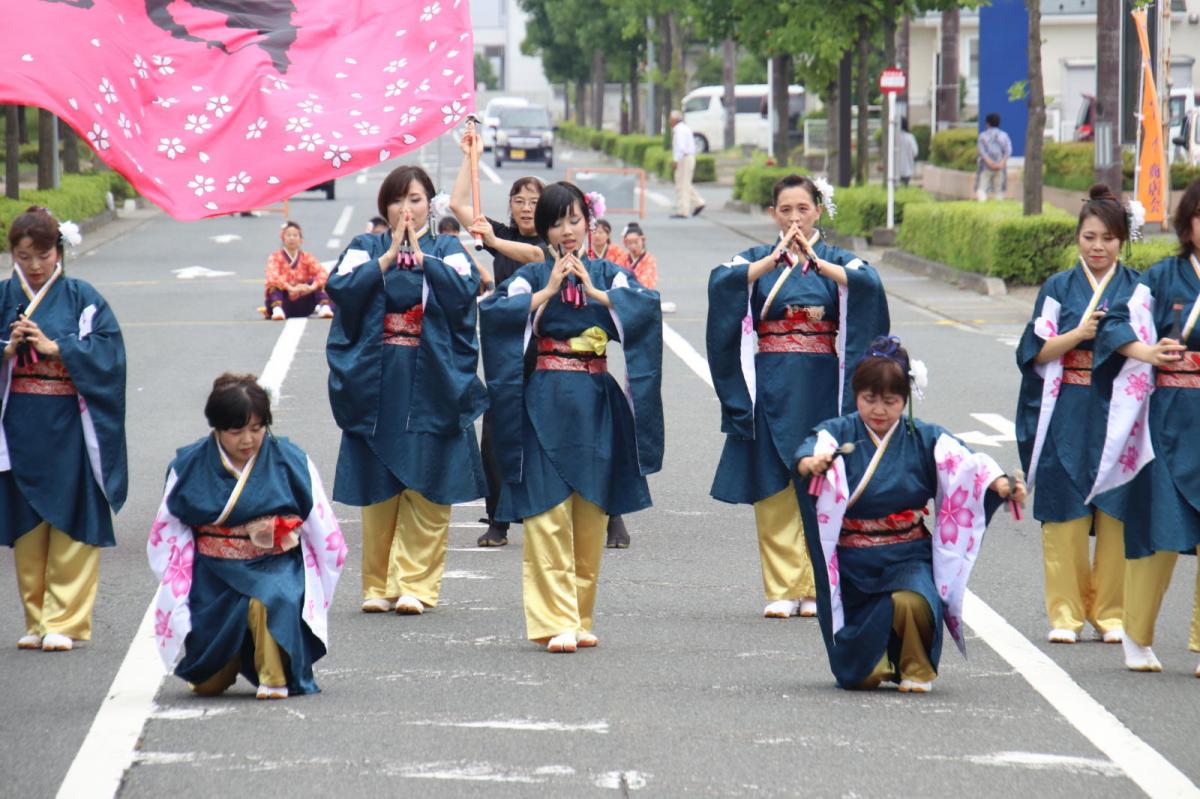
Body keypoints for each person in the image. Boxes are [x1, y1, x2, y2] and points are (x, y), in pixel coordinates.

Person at [479, 181, 663, 652]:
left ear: (588, 221)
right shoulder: (533, 272)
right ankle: (553, 619)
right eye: (556, 222)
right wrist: (549, 291)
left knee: (589, 513)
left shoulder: (608, 271)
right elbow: (496, 311)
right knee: (546, 512)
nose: (566, 230)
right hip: (544, 396)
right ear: (544, 228)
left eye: (574, 220)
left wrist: (599, 294)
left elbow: (644, 308)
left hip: (596, 399)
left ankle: (579, 616)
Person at [796, 337, 1026, 693]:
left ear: (905, 400)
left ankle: (916, 668)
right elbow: (811, 449)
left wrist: (1001, 485)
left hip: (907, 553)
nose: (879, 410)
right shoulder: (838, 433)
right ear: (856, 395)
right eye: (869, 399)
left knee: (914, 597)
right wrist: (812, 464)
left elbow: (969, 466)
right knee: (861, 678)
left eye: (890, 401)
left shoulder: (925, 438)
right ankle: (874, 662)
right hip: (855, 560)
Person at [707, 174, 890, 621]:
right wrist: (769, 264)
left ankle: (816, 586)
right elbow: (722, 282)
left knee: (824, 485)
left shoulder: (837, 260)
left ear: (818, 211)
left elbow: (870, 285)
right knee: (774, 488)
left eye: (802, 209)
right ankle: (782, 586)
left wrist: (824, 268)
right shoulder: (754, 259)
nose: (794, 219)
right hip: (770, 382)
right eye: (785, 210)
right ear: (772, 214)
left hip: (824, 383)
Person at [326, 164, 488, 616]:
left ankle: (415, 583)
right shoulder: (364, 247)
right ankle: (377, 584)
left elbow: (463, 290)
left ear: (430, 205)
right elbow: (340, 288)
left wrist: (423, 258)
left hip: (431, 375)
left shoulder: (448, 248)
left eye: (416, 200)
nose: (406, 209)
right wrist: (389, 255)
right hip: (378, 377)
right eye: (398, 200)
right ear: (385, 206)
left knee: (428, 478)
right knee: (379, 481)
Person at [148, 374, 346, 699]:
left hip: (272, 563)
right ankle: (232, 652)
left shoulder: (290, 460)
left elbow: (322, 527)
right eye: (235, 431)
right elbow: (168, 530)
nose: (247, 440)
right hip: (213, 570)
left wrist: (312, 563)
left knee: (273, 597)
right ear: (216, 428)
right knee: (206, 686)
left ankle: (274, 676)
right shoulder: (188, 465)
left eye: (256, 429)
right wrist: (177, 579)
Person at [1016, 184, 1139, 645]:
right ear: (1077, 238)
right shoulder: (1057, 288)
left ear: (1121, 240)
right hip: (1066, 404)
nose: (1098, 247)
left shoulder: (1138, 287)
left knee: (1116, 512)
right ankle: (1065, 613)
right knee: (1065, 511)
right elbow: (1034, 351)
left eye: (1107, 238)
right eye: (1089, 237)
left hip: (1120, 409)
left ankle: (1111, 614)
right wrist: (1079, 334)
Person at [1, 206, 127, 653]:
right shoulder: (3, 296)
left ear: (60, 251)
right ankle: (36, 619)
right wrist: (7, 349)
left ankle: (65, 618)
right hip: (18, 423)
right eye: (24, 256)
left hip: (69, 424)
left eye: (43, 255)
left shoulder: (83, 298)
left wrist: (60, 349)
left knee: (71, 515)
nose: (35, 266)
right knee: (28, 523)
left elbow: (110, 354)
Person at [1091, 178, 1200, 676]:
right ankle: (1137, 635)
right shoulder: (1162, 277)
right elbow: (1115, 323)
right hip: (1169, 419)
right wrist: (1147, 351)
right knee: (1159, 532)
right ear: (1187, 223)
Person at [452, 129, 548, 547]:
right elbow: (457, 206)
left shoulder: (551, 242)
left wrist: (496, 242)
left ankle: (609, 514)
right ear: (509, 205)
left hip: (548, 352)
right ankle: (498, 519)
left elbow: (538, 256)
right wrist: (468, 157)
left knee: (556, 432)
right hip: (506, 353)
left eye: (534, 202)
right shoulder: (498, 236)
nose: (526, 208)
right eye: (519, 201)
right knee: (495, 434)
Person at [263, 221, 334, 320]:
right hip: (284, 301)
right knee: (273, 285)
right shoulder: (275, 257)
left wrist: (311, 287)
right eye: (288, 235)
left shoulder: (307, 257)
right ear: (283, 238)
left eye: (295, 235)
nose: (292, 238)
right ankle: (277, 309)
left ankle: (325, 307)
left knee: (319, 281)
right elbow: (272, 277)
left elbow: (322, 273)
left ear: (301, 240)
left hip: (303, 299)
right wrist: (291, 288)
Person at [438, 214, 492, 291]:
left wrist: (490, 285)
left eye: (453, 231)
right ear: (440, 234)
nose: (450, 235)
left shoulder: (462, 248)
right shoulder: (437, 250)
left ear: (458, 232)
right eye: (446, 232)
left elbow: (479, 267)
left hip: (463, 286)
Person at [670, 110, 705, 219]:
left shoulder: (679, 130)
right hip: (689, 157)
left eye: (670, 119)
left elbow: (680, 147)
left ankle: (683, 210)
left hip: (683, 158)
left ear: (675, 119)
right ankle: (698, 202)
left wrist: (675, 160)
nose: (669, 121)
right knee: (685, 183)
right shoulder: (685, 128)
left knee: (682, 185)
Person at [975, 112, 1012, 201]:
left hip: (985, 167)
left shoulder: (982, 136)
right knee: (998, 190)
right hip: (1000, 167)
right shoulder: (1004, 135)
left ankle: (982, 205)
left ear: (987, 123)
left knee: (981, 189)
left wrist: (990, 163)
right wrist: (1001, 163)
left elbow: (982, 152)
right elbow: (1008, 151)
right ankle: (998, 206)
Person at [897, 118, 918, 187]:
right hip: (907, 168)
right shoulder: (910, 137)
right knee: (905, 186)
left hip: (895, 169)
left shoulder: (894, 137)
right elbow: (915, 152)